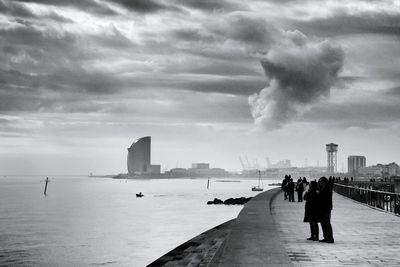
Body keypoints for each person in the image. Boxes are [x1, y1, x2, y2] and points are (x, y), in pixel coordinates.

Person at [318, 176, 334, 243]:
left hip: (326, 208)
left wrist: (319, 193)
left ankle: (330, 238)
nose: (320, 183)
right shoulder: (322, 188)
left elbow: (326, 197)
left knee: (327, 223)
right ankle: (326, 237)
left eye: (320, 182)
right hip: (322, 207)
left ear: (323, 182)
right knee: (323, 223)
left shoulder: (328, 188)